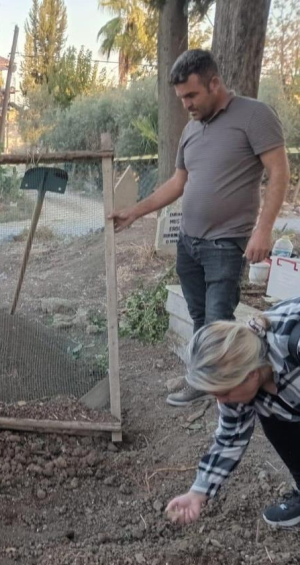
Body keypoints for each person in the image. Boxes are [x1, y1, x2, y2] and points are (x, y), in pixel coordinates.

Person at [110, 50, 290, 407]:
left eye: (192, 96)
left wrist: (263, 230)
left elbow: (279, 173)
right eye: (181, 98)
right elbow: (178, 183)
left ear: (215, 83)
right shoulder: (191, 130)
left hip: (226, 244)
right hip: (189, 242)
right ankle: (204, 375)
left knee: (216, 319)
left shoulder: (254, 116)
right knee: (198, 316)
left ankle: (216, 389)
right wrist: (135, 211)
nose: (186, 105)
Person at [165, 296, 300, 527]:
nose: (221, 401)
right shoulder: (242, 375)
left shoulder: (292, 342)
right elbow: (230, 437)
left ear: (252, 375)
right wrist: (198, 492)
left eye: (224, 393)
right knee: (273, 418)